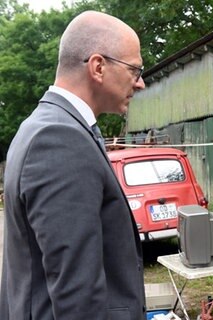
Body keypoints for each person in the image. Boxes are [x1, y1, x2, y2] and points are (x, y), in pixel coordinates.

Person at [0, 11, 146, 320]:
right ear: (98, 67)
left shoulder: (47, 126)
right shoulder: (59, 139)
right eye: (135, 69)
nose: (141, 83)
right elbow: (77, 297)